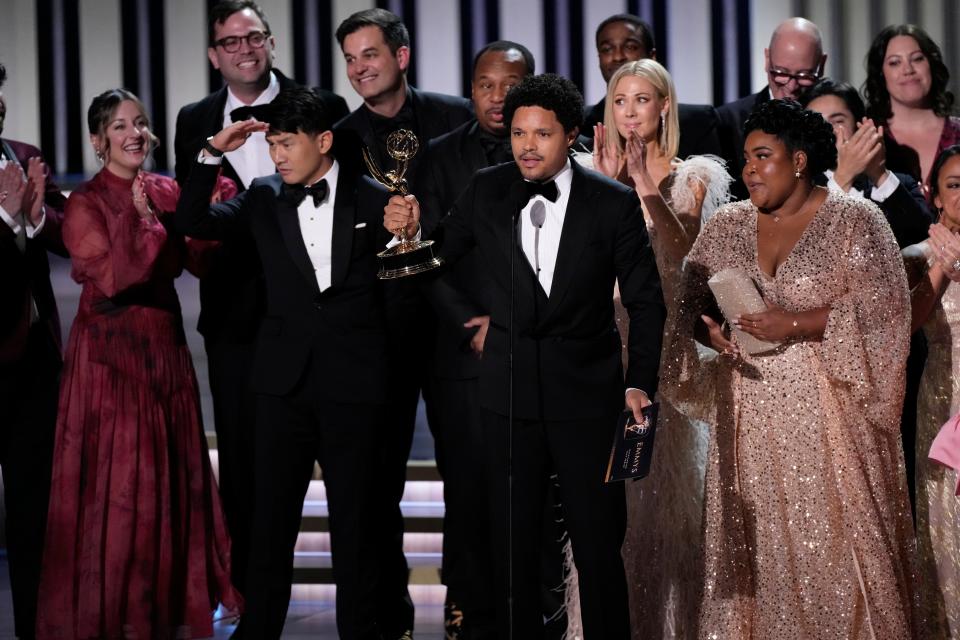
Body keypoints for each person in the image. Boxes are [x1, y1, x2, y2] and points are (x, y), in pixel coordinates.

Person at [385, 73, 666, 639]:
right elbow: (430, 261)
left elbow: (647, 303)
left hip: (587, 400)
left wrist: (639, 384)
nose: (528, 146)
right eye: (518, 133)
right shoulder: (487, 189)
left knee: (597, 548)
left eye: (542, 134)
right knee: (509, 551)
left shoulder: (611, 204)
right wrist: (406, 237)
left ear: (571, 137)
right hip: (507, 398)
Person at [662, 98, 918, 638]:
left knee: (834, 553)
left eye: (762, 157)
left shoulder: (855, 219)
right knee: (759, 558)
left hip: (832, 425)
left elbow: (886, 312)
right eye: (746, 159)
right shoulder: (728, 225)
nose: (749, 170)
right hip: (749, 420)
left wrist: (794, 323)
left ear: (799, 160)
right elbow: (686, 307)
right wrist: (712, 335)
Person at [175, 86, 393, 640]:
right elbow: (193, 221)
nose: (275, 155)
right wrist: (210, 153)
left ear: (323, 141)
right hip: (280, 387)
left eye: (285, 143)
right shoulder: (264, 196)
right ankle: (259, 631)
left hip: (353, 386)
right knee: (271, 524)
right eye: (271, 144)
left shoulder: (376, 199)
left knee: (356, 526)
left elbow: (403, 292)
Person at [35, 89, 240, 639]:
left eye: (142, 123)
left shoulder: (165, 189)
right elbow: (116, 276)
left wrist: (211, 172)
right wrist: (151, 222)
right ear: (98, 140)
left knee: (169, 476)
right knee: (124, 482)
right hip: (110, 360)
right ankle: (120, 612)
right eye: (120, 125)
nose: (135, 133)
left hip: (165, 350)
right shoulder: (85, 202)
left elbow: (200, 244)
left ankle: (167, 603)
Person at [172, 0, 349, 596]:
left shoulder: (319, 105)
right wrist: (211, 152)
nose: (244, 50)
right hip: (236, 318)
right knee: (245, 465)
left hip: (320, 318)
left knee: (346, 473)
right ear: (214, 55)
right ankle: (248, 594)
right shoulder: (195, 118)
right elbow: (193, 218)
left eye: (254, 38)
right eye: (230, 42)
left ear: (270, 43)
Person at [333, 9, 474, 637]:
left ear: (402, 56)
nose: (360, 68)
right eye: (351, 59)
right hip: (375, 331)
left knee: (466, 474)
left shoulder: (453, 118)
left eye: (371, 55)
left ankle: (464, 604)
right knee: (376, 479)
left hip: (450, 323)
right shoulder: (335, 137)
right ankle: (390, 617)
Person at [591, 57, 731, 639]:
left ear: (664, 106)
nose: (629, 113)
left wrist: (646, 184)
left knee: (675, 508)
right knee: (609, 507)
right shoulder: (587, 169)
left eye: (641, 100)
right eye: (620, 101)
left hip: (671, 351)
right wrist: (602, 186)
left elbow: (684, 255)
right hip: (606, 346)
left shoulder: (693, 173)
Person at [415, 39, 533, 640]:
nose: (496, 97)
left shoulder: (564, 154)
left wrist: (517, 326)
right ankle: (465, 610)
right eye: (485, 84)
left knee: (535, 491)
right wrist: (473, 325)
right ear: (470, 89)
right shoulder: (437, 157)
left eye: (509, 85)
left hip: (540, 349)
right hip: (464, 354)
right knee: (466, 487)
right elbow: (424, 256)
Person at [0, 61, 68, 640]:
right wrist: (6, 218)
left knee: (34, 514)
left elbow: (69, 234)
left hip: (37, 365)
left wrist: (36, 214)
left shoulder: (24, 154)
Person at [902, 145, 960, 638]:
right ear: (933, 195)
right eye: (955, 184)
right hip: (944, 398)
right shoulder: (916, 257)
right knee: (946, 524)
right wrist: (943, 264)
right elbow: (906, 326)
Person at [800, 78, 933, 247]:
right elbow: (805, 249)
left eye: (838, 121)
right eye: (817, 123)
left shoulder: (901, 183)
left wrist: (879, 175)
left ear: (860, 125)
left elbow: (924, 237)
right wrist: (843, 177)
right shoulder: (796, 188)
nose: (828, 131)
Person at [579, 13, 723, 161]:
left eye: (630, 47)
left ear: (651, 55)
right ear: (599, 58)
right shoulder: (580, 123)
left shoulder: (697, 121)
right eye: (607, 49)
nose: (617, 56)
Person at [716, 17, 826, 196]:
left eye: (804, 75)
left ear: (821, 65)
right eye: (781, 73)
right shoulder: (728, 121)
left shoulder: (831, 118)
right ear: (767, 59)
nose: (791, 86)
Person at [863, 24, 960, 198]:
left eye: (917, 59)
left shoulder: (957, 133)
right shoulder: (867, 138)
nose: (908, 70)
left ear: (931, 64)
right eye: (895, 62)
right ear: (881, 74)